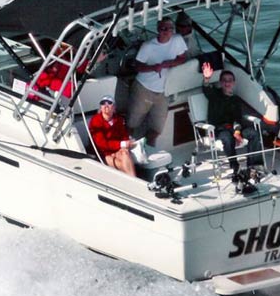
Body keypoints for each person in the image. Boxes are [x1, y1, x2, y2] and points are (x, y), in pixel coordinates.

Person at [128, 17, 189, 145]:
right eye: (163, 28)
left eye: (170, 28)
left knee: (158, 127)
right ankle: (128, 147)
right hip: (143, 88)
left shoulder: (177, 40)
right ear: (157, 29)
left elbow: (182, 58)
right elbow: (137, 66)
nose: (167, 31)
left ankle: (148, 146)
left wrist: (168, 63)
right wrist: (153, 68)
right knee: (132, 123)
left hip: (163, 91)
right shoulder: (148, 46)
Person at [201, 62, 262, 169]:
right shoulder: (215, 95)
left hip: (234, 128)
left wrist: (237, 132)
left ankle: (254, 165)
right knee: (228, 138)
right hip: (220, 129)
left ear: (234, 83)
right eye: (224, 80)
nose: (227, 82)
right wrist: (206, 78)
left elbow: (237, 118)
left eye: (230, 80)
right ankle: (235, 167)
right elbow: (206, 89)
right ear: (220, 82)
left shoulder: (236, 99)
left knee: (254, 134)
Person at [88, 95, 137, 177]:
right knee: (124, 166)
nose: (106, 105)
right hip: (103, 154)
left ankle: (133, 180)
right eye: (103, 103)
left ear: (114, 108)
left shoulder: (119, 120)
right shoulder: (96, 120)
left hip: (116, 150)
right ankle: (135, 180)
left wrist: (124, 147)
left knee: (125, 153)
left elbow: (124, 136)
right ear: (100, 107)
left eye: (109, 103)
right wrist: (121, 144)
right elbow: (101, 143)